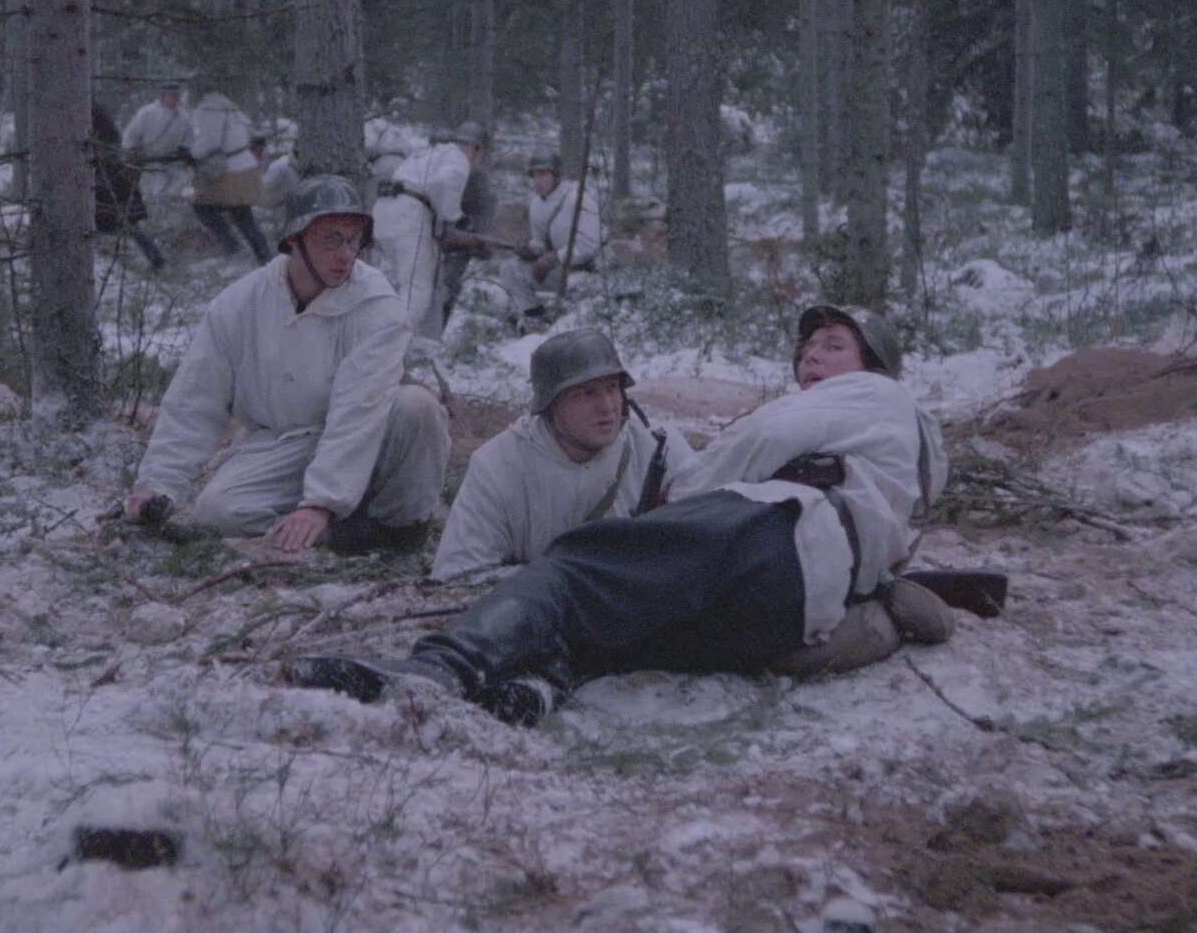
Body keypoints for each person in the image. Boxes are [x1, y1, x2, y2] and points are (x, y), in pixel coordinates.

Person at [290, 304, 955, 725]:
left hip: (780, 537)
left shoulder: (868, 395)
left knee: (578, 563)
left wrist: (682, 510)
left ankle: (442, 668)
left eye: (831, 345)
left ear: (874, 367)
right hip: (796, 602)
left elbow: (762, 438)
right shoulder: (908, 446)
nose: (811, 356)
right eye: (806, 347)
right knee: (632, 619)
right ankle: (541, 684)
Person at [125, 175, 451, 553]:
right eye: (331, 240)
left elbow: (358, 408)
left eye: (353, 241)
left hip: (368, 434)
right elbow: (194, 400)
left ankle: (399, 532)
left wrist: (322, 502)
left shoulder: (378, 307)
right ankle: (343, 537)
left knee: (416, 408)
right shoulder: (240, 304)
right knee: (218, 512)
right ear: (295, 240)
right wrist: (160, 484)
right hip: (283, 445)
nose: (346, 255)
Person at [431, 329, 697, 584]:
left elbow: (706, 543)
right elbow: (457, 575)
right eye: (587, 393)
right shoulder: (498, 465)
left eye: (612, 387)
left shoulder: (657, 446)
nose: (607, 407)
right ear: (551, 404)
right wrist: (562, 581)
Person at [370, 121, 483, 340]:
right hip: (409, 215)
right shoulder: (458, 157)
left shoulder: (427, 154)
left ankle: (382, 333)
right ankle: (392, 343)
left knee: (395, 284)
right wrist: (452, 217)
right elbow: (446, 180)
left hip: (385, 213)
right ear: (474, 149)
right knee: (417, 289)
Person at [499, 151, 603, 333]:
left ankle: (574, 324)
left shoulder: (579, 199)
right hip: (560, 271)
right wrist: (531, 251)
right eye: (534, 175)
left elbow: (589, 245)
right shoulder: (536, 204)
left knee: (578, 318)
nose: (537, 181)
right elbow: (540, 243)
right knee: (510, 268)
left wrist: (553, 258)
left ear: (556, 176)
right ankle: (534, 318)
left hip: (591, 273)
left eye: (543, 174)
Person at [187, 92, 271, 261]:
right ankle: (265, 258)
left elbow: (210, 142)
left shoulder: (208, 110)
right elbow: (252, 133)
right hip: (246, 167)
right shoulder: (232, 108)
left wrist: (191, 153)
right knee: (244, 217)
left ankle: (233, 248)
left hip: (229, 171)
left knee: (202, 206)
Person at [92, 103, 167, 270]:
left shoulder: (93, 115)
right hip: (110, 178)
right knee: (127, 224)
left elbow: (109, 148)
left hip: (107, 180)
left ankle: (153, 260)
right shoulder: (97, 115)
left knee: (126, 223)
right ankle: (152, 259)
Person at [437, 123, 497, 329]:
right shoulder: (441, 170)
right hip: (428, 238)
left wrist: (475, 239)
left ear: (478, 152)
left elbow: (485, 225)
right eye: (459, 146)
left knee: (449, 281)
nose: (462, 152)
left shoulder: (479, 182)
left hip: (458, 245)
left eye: (468, 147)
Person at [122, 80, 193, 212]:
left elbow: (189, 138)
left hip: (172, 165)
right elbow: (131, 135)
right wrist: (132, 151)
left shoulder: (184, 117)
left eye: (176, 96)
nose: (173, 99)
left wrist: (185, 150)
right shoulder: (147, 112)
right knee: (149, 197)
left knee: (172, 199)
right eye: (170, 95)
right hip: (148, 163)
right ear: (162, 95)